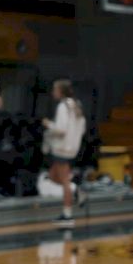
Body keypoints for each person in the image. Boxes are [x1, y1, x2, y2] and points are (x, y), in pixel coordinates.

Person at [42, 79, 86, 227]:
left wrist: (48, 124)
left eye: (55, 90)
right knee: (53, 177)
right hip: (72, 148)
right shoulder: (77, 105)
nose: (53, 92)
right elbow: (82, 128)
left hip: (61, 148)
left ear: (60, 91)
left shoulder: (63, 106)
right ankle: (76, 190)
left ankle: (67, 216)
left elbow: (61, 130)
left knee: (64, 181)